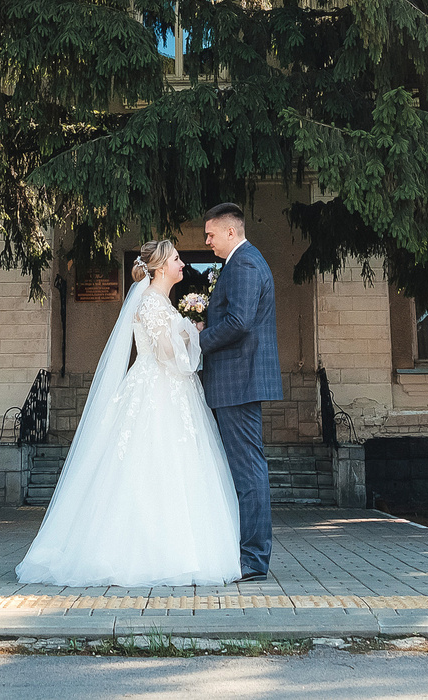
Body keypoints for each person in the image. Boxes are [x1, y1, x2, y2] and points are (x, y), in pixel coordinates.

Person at [14, 239, 241, 586]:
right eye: (178, 259)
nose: (184, 264)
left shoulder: (160, 301)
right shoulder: (151, 303)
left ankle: (177, 550)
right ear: (162, 266)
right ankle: (147, 554)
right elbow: (167, 355)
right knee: (148, 461)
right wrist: (192, 337)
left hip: (166, 390)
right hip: (156, 388)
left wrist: (187, 332)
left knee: (172, 465)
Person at [197, 201, 281, 580]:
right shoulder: (242, 261)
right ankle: (250, 554)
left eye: (211, 235)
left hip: (239, 381)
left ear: (231, 231)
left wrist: (198, 341)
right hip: (238, 380)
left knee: (248, 470)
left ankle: (253, 560)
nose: (208, 242)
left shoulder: (244, 263)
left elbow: (239, 322)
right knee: (245, 468)